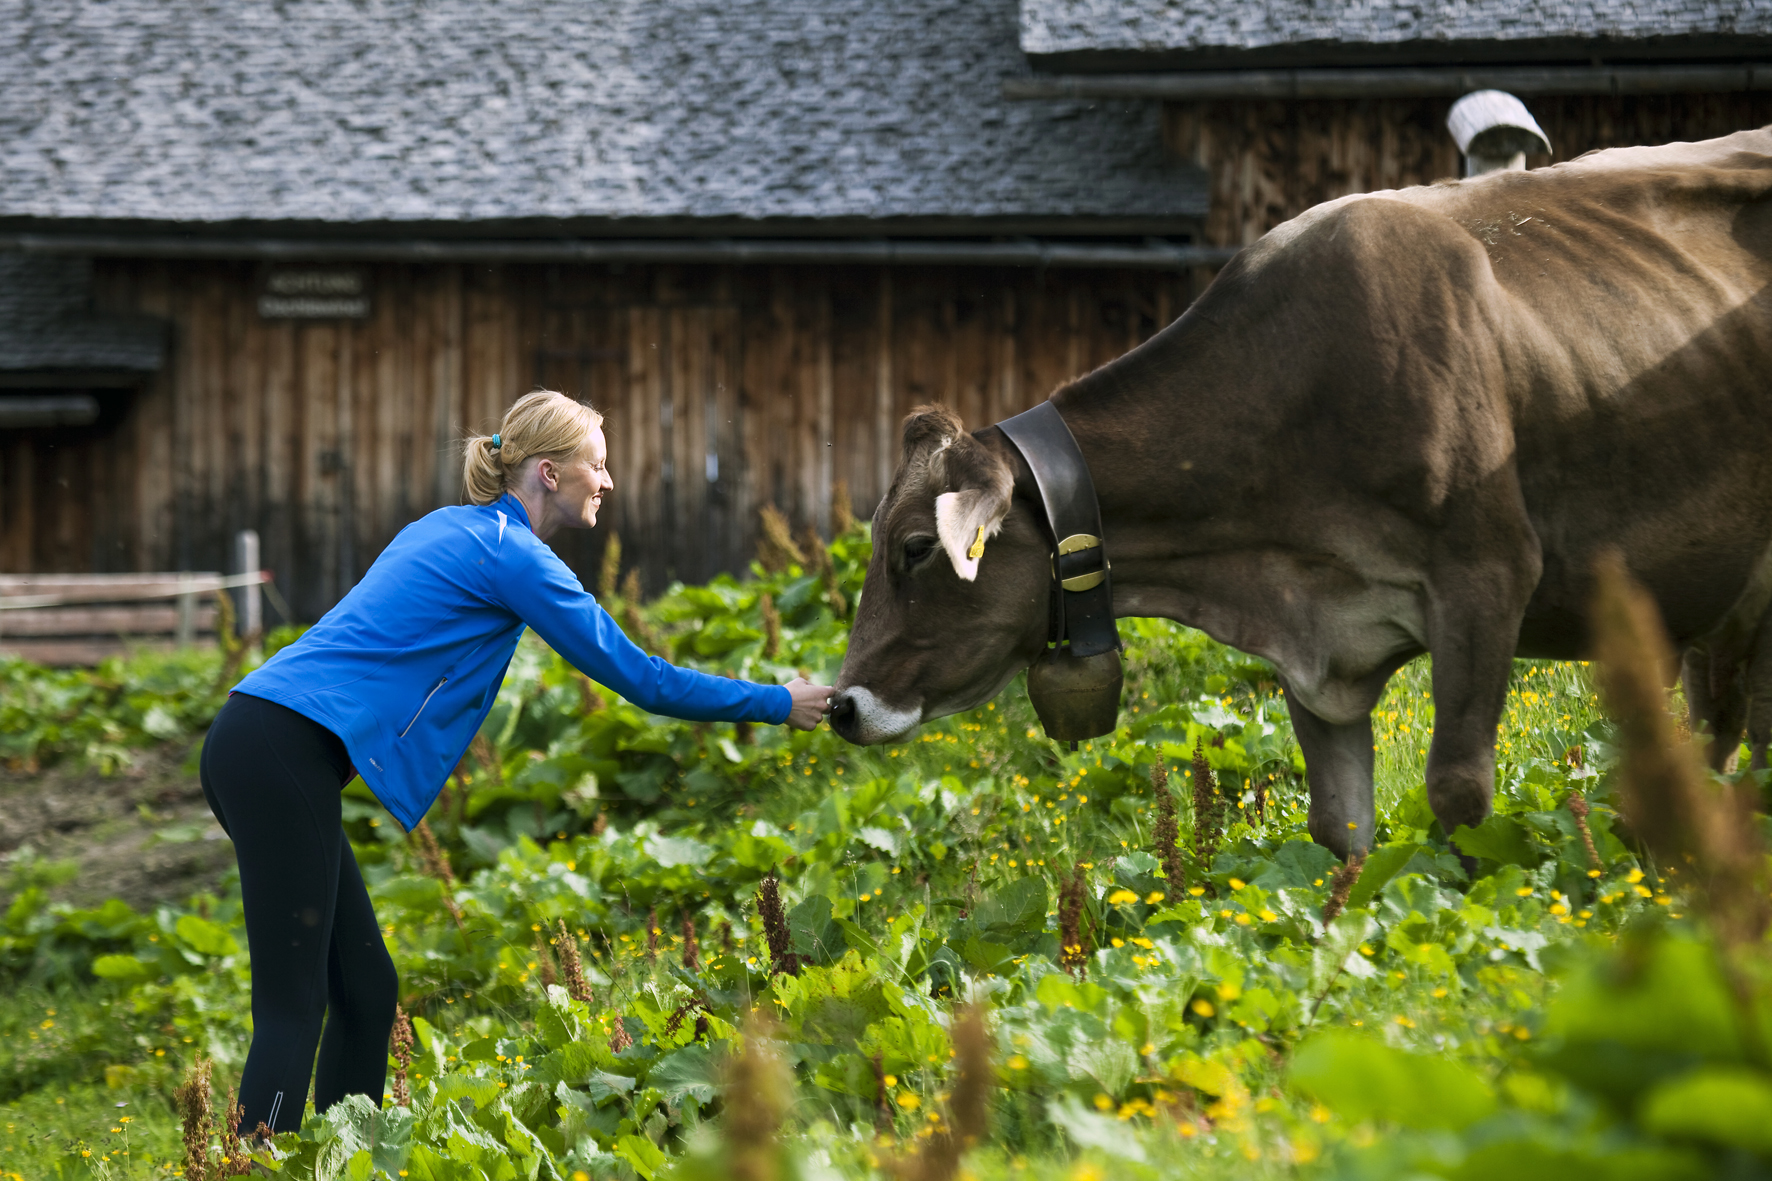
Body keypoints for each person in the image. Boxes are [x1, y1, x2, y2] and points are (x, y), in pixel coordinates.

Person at [202, 390, 832, 1133]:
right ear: (548, 473)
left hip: (260, 741)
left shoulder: (449, 527)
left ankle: (347, 1155)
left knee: (367, 991)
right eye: (597, 464)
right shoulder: (513, 557)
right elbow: (642, 678)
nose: (608, 481)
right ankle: (251, 1164)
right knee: (294, 1006)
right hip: (280, 752)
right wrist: (776, 701)